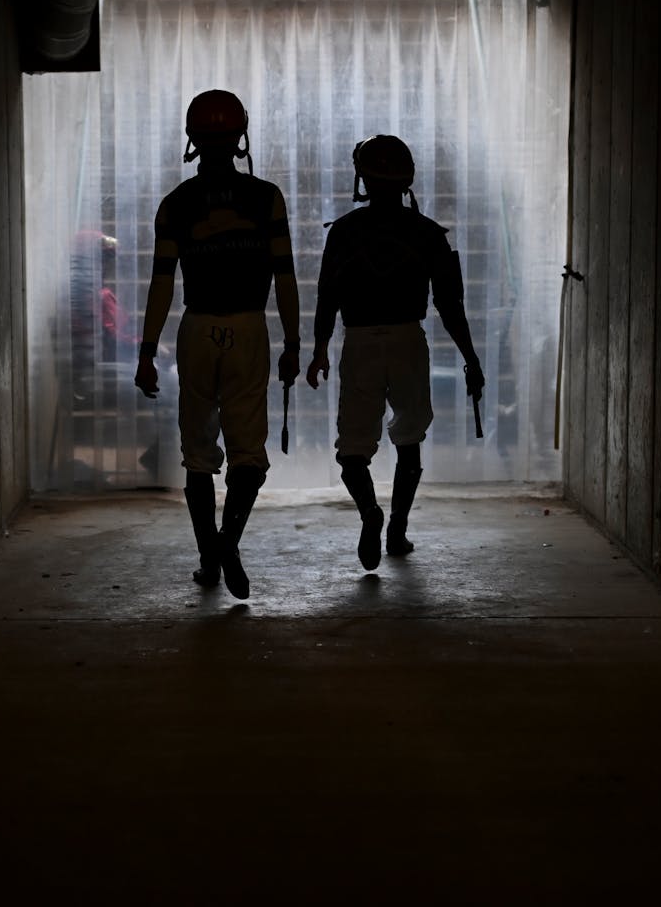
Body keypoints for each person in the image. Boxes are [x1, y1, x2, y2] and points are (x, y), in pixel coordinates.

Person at [135, 89, 301, 600]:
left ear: (193, 139)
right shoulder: (266, 197)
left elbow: (162, 282)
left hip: (197, 328)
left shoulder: (176, 205)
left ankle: (210, 559)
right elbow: (285, 276)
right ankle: (230, 540)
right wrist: (293, 340)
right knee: (248, 450)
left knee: (199, 453)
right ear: (239, 136)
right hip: (249, 327)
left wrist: (146, 351)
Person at [306, 134, 485, 570]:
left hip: (360, 342)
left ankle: (370, 511)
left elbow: (326, 296)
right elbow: (449, 305)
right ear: (407, 180)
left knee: (352, 449)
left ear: (362, 178)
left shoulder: (345, 233)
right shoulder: (427, 234)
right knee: (408, 440)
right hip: (408, 341)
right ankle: (397, 532)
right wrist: (471, 358)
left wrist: (319, 350)